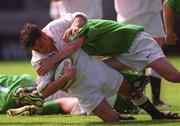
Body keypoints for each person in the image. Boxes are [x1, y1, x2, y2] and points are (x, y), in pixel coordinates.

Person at [20, 12, 180, 122]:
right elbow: (44, 90)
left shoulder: (66, 29)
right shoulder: (38, 61)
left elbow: (77, 29)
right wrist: (65, 78)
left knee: (173, 77)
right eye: (37, 49)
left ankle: (139, 90)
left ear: (43, 33)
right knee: (113, 116)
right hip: (93, 76)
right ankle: (134, 84)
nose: (43, 50)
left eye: (41, 44)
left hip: (134, 43)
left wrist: (53, 60)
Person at [114, 0, 166, 106]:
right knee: (132, 56)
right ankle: (137, 97)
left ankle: (155, 99)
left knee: (156, 52)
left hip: (152, 12)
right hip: (129, 17)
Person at [0, 74, 85, 116]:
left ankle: (33, 101)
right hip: (28, 84)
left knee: (62, 103)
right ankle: (31, 94)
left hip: (11, 100)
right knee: (76, 92)